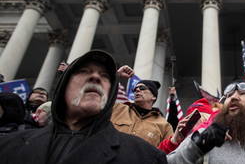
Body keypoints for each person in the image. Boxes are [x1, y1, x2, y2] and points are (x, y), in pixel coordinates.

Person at [0, 50, 166, 164]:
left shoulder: (146, 157)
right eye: (84, 72)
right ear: (63, 85)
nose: (95, 77)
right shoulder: (8, 146)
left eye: (105, 76)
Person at [168, 81, 245, 164]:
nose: (233, 97)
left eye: (243, 93)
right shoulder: (202, 138)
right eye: (228, 96)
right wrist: (197, 148)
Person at [111, 65, 173, 147]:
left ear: (153, 96)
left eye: (142, 88)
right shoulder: (118, 109)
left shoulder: (164, 126)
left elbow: (168, 153)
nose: (137, 90)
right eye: (135, 89)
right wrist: (117, 75)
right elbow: (103, 97)